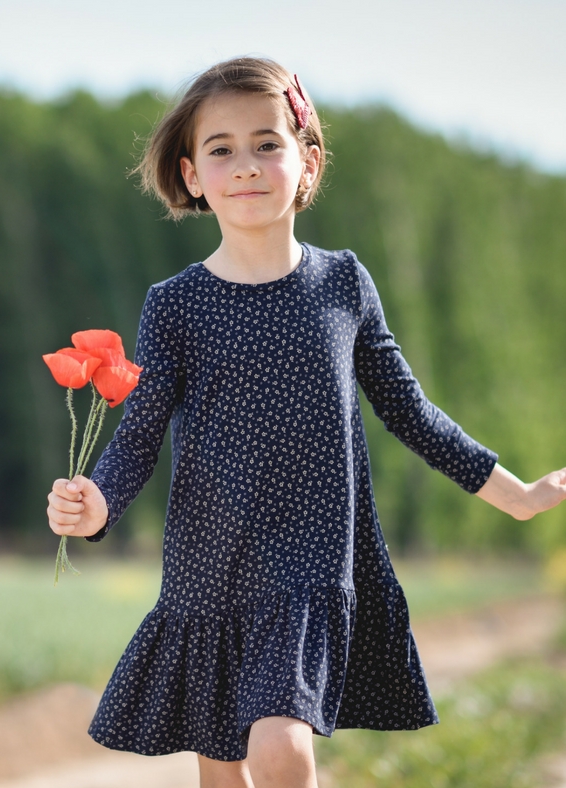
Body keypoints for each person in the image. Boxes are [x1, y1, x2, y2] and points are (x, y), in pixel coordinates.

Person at [46, 56, 566, 788]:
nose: (247, 165)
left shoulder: (343, 284)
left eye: (268, 143)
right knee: (222, 773)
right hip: (209, 571)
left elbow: (409, 412)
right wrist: (96, 505)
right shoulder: (176, 304)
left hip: (310, 566)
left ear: (307, 162)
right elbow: (138, 436)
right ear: (193, 175)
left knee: (282, 747)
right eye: (221, 149)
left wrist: (518, 494)